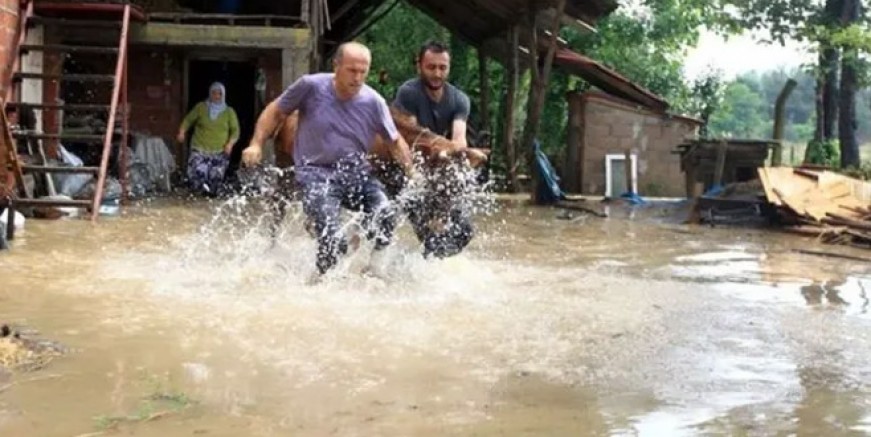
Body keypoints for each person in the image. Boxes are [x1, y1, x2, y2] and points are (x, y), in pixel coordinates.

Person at [242, 42, 415, 277]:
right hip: (315, 174)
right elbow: (276, 111)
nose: (357, 78)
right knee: (333, 238)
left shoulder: (374, 102)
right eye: (352, 70)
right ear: (336, 66)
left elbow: (395, 141)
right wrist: (256, 143)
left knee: (385, 215)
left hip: (355, 173)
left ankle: (374, 271)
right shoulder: (310, 87)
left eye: (363, 72)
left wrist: (412, 173)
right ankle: (321, 283)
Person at [391, 40, 477, 259]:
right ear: (419, 66)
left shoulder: (460, 99)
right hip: (409, 170)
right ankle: (425, 266)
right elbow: (413, 138)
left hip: (440, 166)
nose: (437, 73)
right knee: (429, 235)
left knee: (465, 230)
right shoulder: (408, 92)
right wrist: (444, 149)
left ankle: (434, 265)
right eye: (431, 67)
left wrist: (457, 152)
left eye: (442, 67)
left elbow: (459, 139)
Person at [177, 82, 240, 195]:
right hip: (199, 149)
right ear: (210, 94)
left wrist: (230, 144)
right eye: (214, 93)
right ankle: (196, 200)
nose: (216, 96)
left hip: (219, 152)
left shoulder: (229, 112)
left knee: (215, 179)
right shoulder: (201, 107)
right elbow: (188, 120)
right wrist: (182, 132)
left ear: (223, 95)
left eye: (219, 94)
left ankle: (210, 202)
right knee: (198, 175)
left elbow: (235, 131)